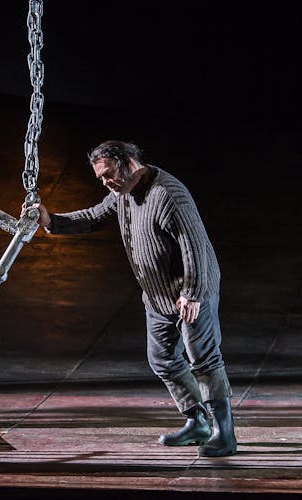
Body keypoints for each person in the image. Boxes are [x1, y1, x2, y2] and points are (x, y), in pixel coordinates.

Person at [24, 140, 237, 457]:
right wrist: (51, 221)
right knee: (162, 359)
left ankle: (225, 434)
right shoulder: (122, 193)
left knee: (204, 360)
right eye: (101, 178)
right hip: (158, 295)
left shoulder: (168, 195)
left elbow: (194, 246)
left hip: (191, 293)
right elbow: (95, 215)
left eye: (108, 174)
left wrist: (192, 293)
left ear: (128, 162)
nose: (106, 183)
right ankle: (198, 421)